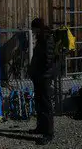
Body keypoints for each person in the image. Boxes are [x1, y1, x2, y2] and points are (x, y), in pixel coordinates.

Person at [29, 17, 57, 145]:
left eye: (34, 29)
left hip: (44, 77)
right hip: (39, 76)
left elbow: (48, 60)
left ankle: (49, 133)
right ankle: (40, 127)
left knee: (46, 105)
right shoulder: (41, 39)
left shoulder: (47, 39)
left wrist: (39, 72)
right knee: (39, 103)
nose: (33, 32)